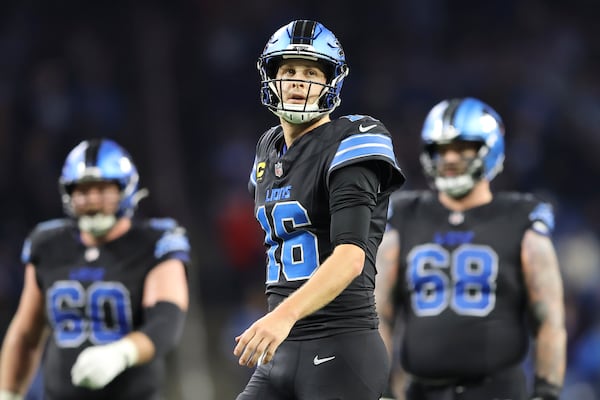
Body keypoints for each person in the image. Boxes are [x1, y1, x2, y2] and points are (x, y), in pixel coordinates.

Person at [233, 19, 406, 400]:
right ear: (271, 79)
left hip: (340, 346)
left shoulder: (351, 140)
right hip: (280, 350)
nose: (297, 81)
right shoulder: (268, 148)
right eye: (288, 70)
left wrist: (282, 315)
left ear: (331, 82)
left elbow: (349, 257)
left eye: (311, 72)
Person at [376, 97, 566, 400]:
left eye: (462, 148)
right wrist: (382, 390)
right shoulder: (404, 215)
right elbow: (377, 313)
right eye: (441, 149)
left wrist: (547, 391)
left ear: (489, 148)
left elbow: (550, 319)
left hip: (498, 391)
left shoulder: (522, 217)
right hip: (422, 391)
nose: (450, 159)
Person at [0, 138, 190, 400]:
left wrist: (122, 353)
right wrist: (8, 394)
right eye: (82, 190)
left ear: (125, 188)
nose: (91, 200)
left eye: (102, 189)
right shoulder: (47, 243)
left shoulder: (155, 241)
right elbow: (25, 334)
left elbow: (165, 321)